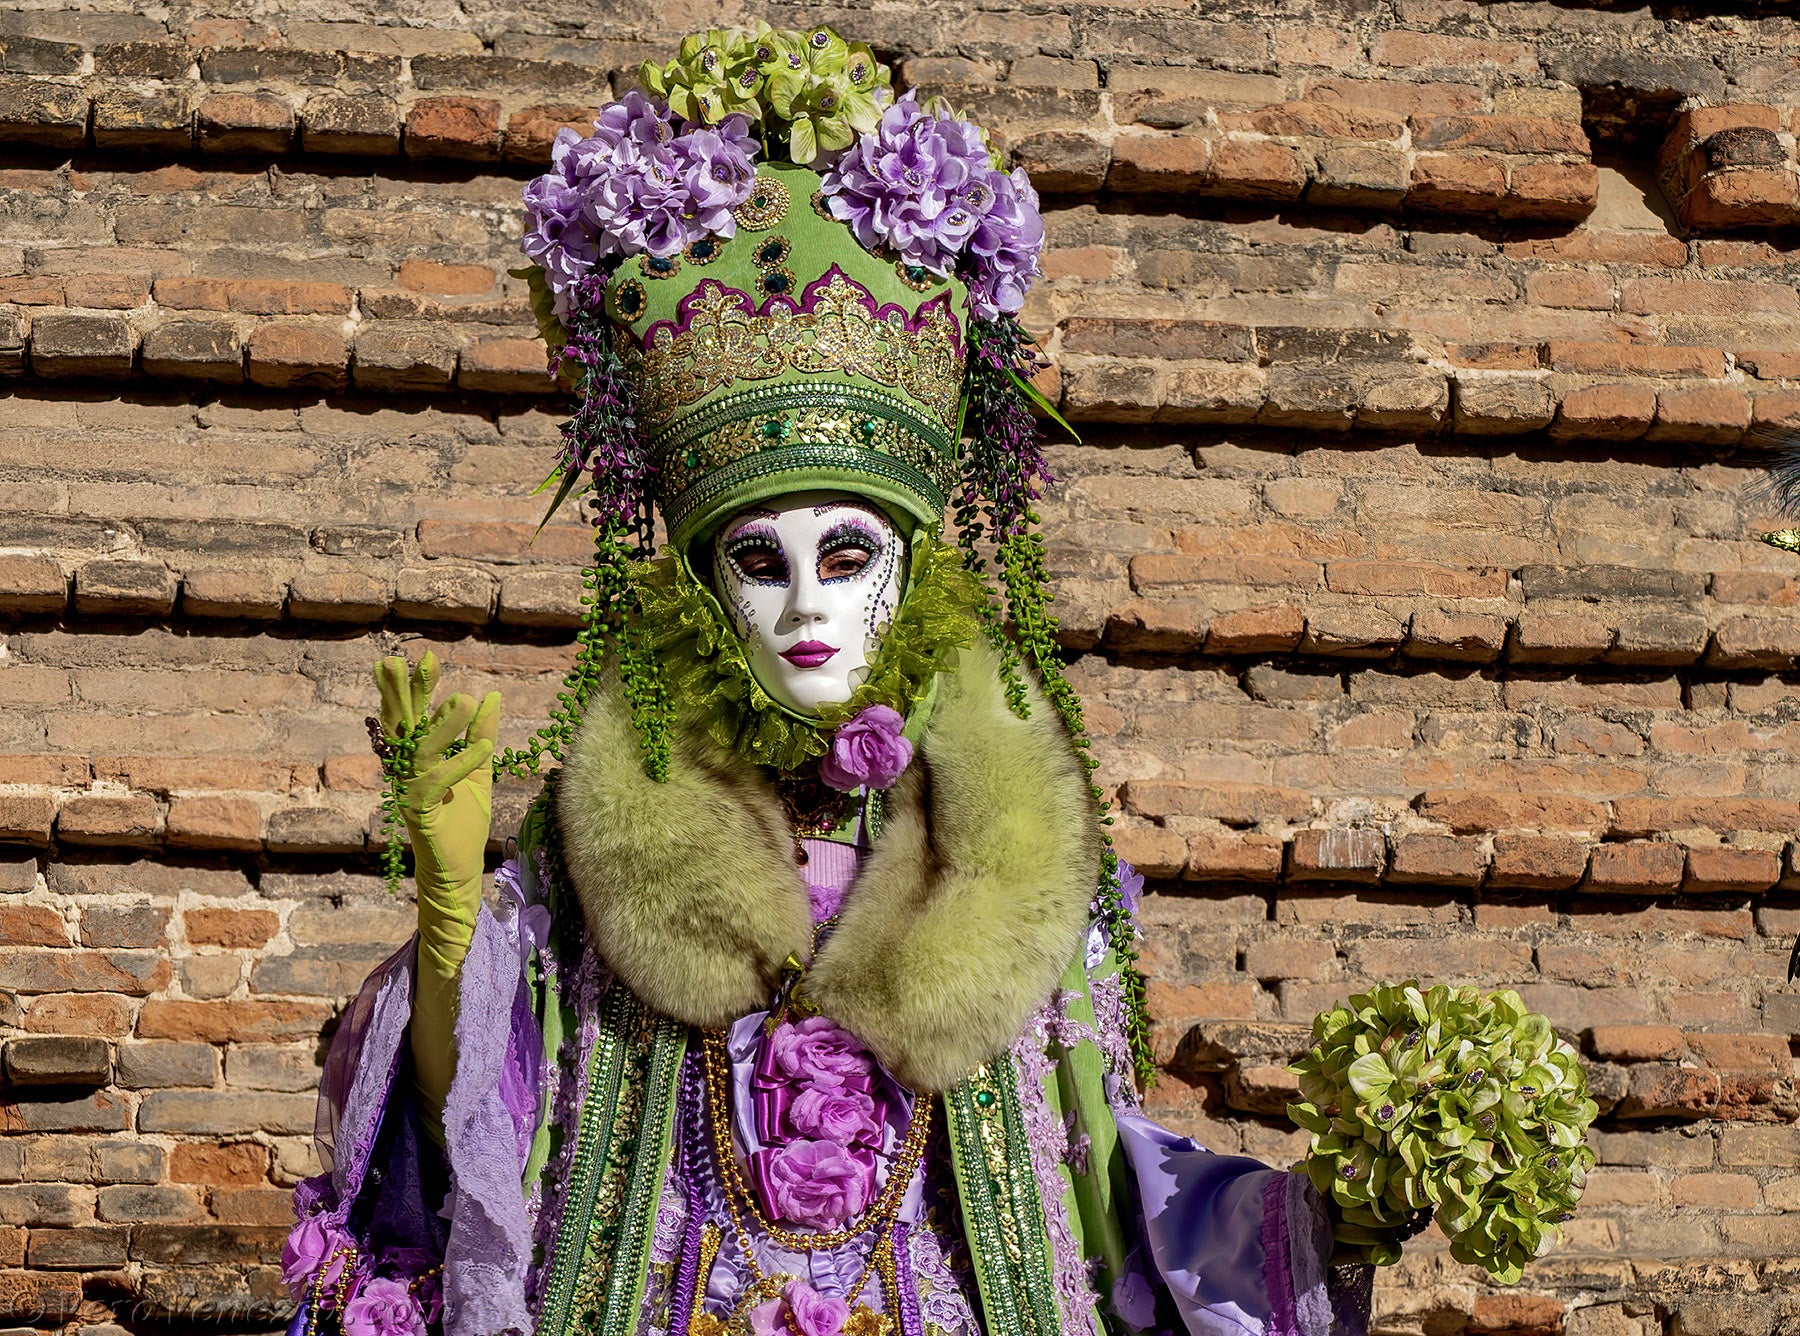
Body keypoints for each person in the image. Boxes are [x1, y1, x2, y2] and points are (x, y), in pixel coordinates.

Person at [281, 23, 1407, 1336]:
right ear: (705, 588)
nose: (809, 604)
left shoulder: (1010, 857)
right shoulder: (602, 858)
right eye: (761, 561)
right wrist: (451, 917)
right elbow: (475, 1136)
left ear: (912, 566)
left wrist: (1328, 1218)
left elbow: (1106, 1183)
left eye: (850, 554)